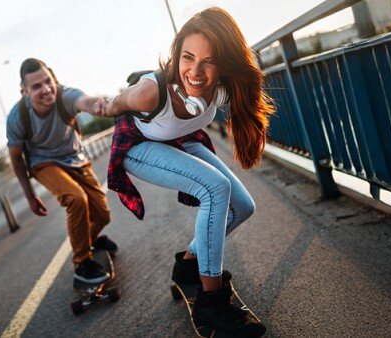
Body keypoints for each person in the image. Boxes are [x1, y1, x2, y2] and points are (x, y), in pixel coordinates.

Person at [89, 7, 270, 336]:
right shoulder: (150, 92)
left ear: (223, 63)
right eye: (188, 57)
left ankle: (188, 266)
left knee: (243, 207)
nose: (195, 72)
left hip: (178, 139)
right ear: (177, 55)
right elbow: (114, 105)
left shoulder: (222, 87)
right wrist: (101, 105)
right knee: (215, 188)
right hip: (139, 147)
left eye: (208, 61)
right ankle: (211, 302)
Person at [6, 58, 117, 286]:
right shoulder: (17, 117)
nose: (47, 89)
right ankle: (82, 265)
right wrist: (30, 196)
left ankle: (90, 240)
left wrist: (98, 105)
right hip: (44, 164)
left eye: (48, 81)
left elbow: (85, 101)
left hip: (75, 159)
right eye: (37, 86)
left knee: (103, 215)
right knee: (76, 198)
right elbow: (16, 158)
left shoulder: (64, 96)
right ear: (25, 91)